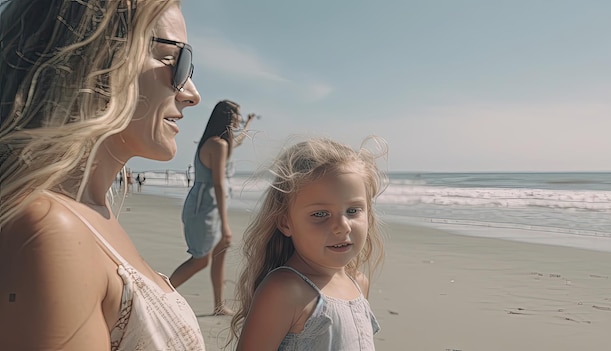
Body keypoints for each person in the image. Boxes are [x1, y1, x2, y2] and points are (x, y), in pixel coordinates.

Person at [0, 0, 205, 349]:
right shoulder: (52, 231)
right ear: (94, 60)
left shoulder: (92, 213)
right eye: (175, 60)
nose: (191, 94)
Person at [229, 137, 388, 350]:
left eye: (353, 210)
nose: (342, 226)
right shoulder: (285, 290)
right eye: (320, 214)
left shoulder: (359, 283)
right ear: (286, 222)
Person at [169, 100, 256, 316]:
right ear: (227, 118)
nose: (238, 121)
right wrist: (226, 225)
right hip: (205, 208)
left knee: (219, 255)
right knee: (201, 260)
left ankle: (219, 306)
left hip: (209, 204)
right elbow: (217, 183)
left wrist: (249, 125)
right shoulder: (218, 145)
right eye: (237, 118)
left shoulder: (219, 142)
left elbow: (238, 141)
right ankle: (159, 293)